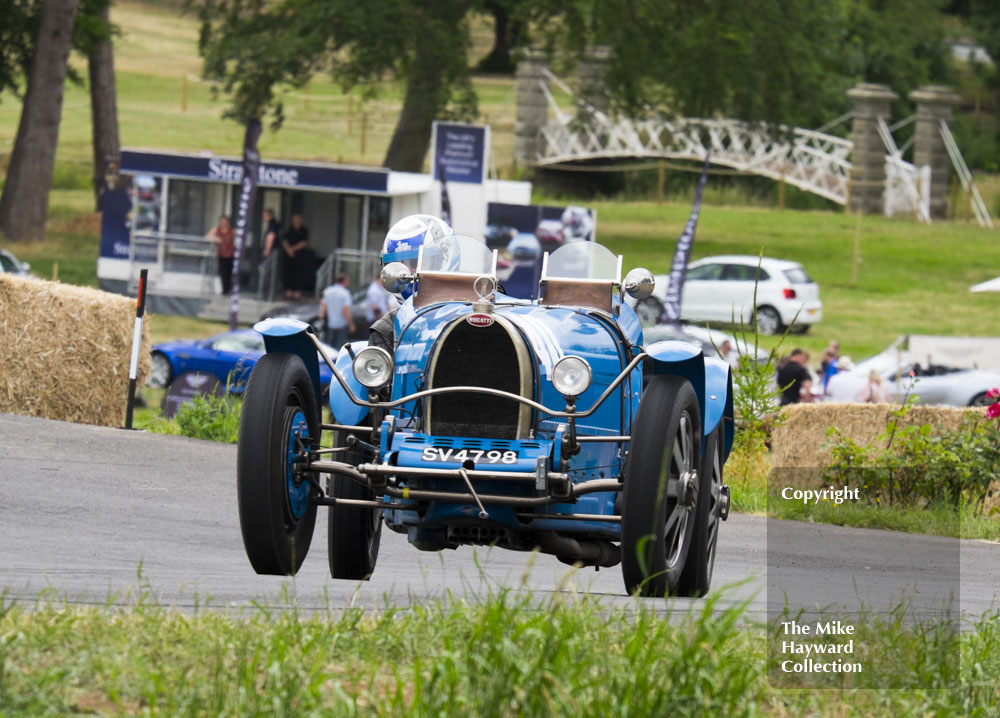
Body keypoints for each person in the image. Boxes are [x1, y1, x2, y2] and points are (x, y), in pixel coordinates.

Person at [369, 214, 453, 352]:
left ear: (443, 260)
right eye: (397, 264)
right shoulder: (388, 329)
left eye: (415, 263)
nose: (406, 272)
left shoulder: (468, 318)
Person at [320, 274, 355, 349]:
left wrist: (323, 316)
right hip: (341, 324)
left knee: (329, 346)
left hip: (330, 323)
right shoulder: (345, 293)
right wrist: (351, 324)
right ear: (344, 282)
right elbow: (345, 310)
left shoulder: (328, 291)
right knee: (340, 347)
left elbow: (323, 306)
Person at [281, 213, 310, 300]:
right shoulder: (289, 229)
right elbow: (284, 240)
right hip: (288, 255)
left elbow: (304, 243)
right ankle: (288, 291)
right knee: (288, 272)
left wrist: (293, 249)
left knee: (298, 273)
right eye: (295, 219)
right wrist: (288, 250)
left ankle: (297, 292)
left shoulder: (304, 230)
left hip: (299, 256)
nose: (297, 221)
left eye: (298, 220)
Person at [206, 215, 235, 295]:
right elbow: (207, 237)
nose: (223, 224)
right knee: (223, 272)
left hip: (231, 255)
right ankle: (225, 291)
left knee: (230, 272)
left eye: (225, 222)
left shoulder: (232, 231)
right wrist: (216, 239)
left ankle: (229, 289)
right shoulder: (216, 230)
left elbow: (238, 238)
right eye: (222, 222)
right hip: (221, 254)